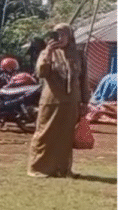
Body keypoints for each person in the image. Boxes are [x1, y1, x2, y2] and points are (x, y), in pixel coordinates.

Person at [28, 23, 90, 178]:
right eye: (57, 35)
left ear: (70, 36)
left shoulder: (79, 54)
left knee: (66, 138)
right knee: (44, 135)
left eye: (64, 35)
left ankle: (62, 170)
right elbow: (41, 72)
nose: (60, 38)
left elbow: (84, 80)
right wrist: (48, 52)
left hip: (71, 104)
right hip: (51, 102)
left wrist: (85, 102)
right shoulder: (47, 52)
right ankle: (38, 168)